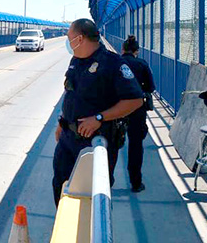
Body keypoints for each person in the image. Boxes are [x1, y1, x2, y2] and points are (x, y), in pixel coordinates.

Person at [52, 19, 144, 207]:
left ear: (80, 39)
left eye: (69, 37)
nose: (68, 42)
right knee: (61, 185)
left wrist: (99, 118)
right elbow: (71, 93)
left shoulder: (112, 64)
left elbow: (136, 100)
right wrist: (62, 122)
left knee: (92, 195)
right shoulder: (76, 60)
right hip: (68, 138)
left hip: (96, 142)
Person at [121, 35, 156, 193]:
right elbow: (151, 87)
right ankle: (136, 182)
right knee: (135, 144)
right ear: (137, 51)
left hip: (117, 108)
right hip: (137, 108)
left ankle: (107, 180)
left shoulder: (116, 62)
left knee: (112, 143)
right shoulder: (142, 64)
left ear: (123, 49)